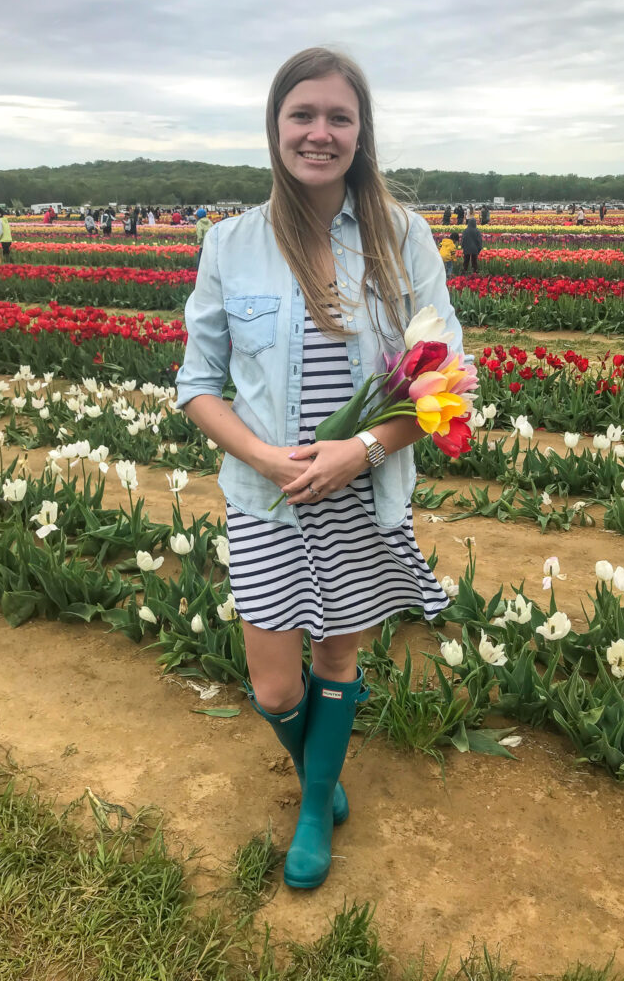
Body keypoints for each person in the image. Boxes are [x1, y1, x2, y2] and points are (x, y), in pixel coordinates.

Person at [175, 47, 465, 891]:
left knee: (338, 661)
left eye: (340, 117)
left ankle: (314, 803)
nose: (320, 132)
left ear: (362, 133)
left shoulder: (402, 238)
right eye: (303, 114)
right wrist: (267, 455)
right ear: (275, 128)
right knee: (273, 687)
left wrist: (363, 449)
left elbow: (446, 376)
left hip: (364, 499)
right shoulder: (230, 243)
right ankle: (320, 773)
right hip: (268, 501)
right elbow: (197, 384)